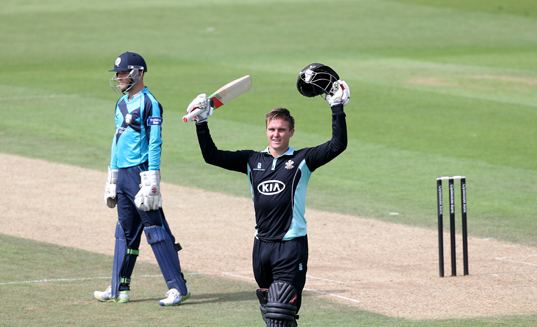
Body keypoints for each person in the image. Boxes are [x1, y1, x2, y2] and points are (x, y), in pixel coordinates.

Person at [185, 74, 349, 326]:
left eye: (282, 129)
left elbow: (337, 145)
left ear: (291, 132)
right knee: (270, 312)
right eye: (272, 129)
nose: (276, 134)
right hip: (261, 247)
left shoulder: (303, 160)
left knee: (279, 313)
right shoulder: (252, 160)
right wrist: (201, 122)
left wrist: (337, 107)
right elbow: (212, 156)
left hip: (290, 246)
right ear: (265, 131)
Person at [94, 51, 190, 306]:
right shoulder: (121, 103)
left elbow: (155, 142)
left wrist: (152, 179)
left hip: (141, 172)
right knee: (125, 232)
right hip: (123, 174)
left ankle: (176, 288)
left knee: (155, 230)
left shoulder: (150, 103)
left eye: (122, 73)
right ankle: (118, 286)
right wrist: (112, 176)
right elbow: (117, 140)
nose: (118, 77)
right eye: (117, 73)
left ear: (137, 73)